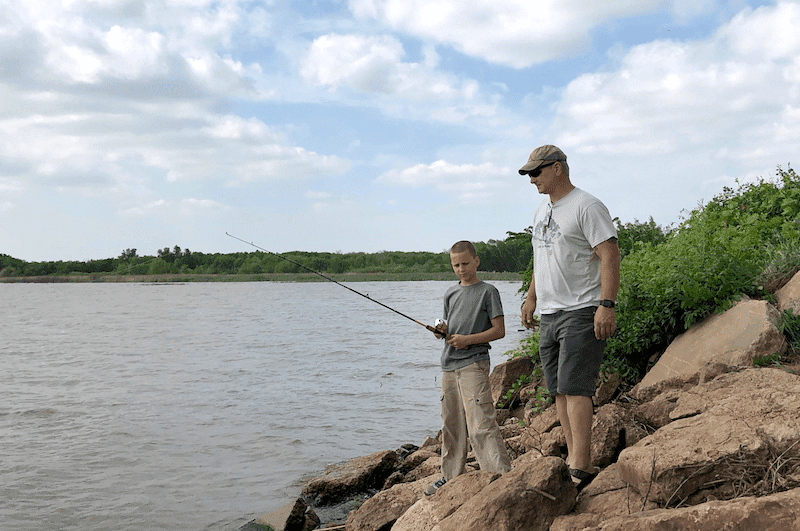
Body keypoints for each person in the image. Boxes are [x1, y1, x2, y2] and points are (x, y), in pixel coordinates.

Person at [518, 144, 620, 489]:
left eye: (537, 172)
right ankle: (573, 458)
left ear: (558, 168)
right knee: (559, 390)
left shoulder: (586, 205)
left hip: (581, 309)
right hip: (549, 313)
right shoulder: (539, 212)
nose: (532, 179)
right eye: (529, 174)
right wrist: (530, 299)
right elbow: (539, 258)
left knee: (576, 388)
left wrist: (607, 304)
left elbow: (609, 254)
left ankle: (580, 466)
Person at [424, 240, 512, 496]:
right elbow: (449, 328)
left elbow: (499, 330)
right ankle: (450, 476)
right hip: (449, 366)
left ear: (476, 260)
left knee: (481, 424)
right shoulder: (450, 293)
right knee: (451, 423)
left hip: (474, 363)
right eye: (456, 265)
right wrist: (441, 333)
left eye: (465, 263)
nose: (461, 269)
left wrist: (467, 340)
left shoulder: (488, 291)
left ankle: (499, 476)